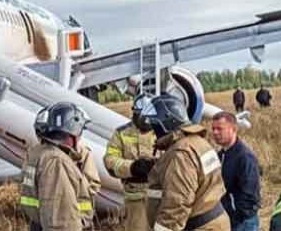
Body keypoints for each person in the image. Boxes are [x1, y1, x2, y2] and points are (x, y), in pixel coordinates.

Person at [141, 94, 230, 231]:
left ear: (166, 123)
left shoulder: (180, 154)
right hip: (215, 222)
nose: (154, 132)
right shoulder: (198, 142)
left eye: (155, 125)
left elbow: (177, 205)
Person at [19, 102, 96, 231]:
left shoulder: (37, 153)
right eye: (80, 132)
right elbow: (61, 221)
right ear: (72, 133)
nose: (80, 137)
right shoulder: (56, 162)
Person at [103, 95, 157, 231]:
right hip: (134, 199)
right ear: (134, 113)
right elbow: (110, 160)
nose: (146, 121)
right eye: (142, 116)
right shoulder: (121, 133)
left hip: (159, 198)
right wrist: (132, 168)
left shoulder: (162, 131)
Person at [211, 112, 261, 231]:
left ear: (233, 129)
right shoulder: (220, 155)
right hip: (227, 219)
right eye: (213, 129)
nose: (215, 132)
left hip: (243, 223)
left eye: (219, 129)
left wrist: (236, 215)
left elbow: (250, 196)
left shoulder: (245, 157)